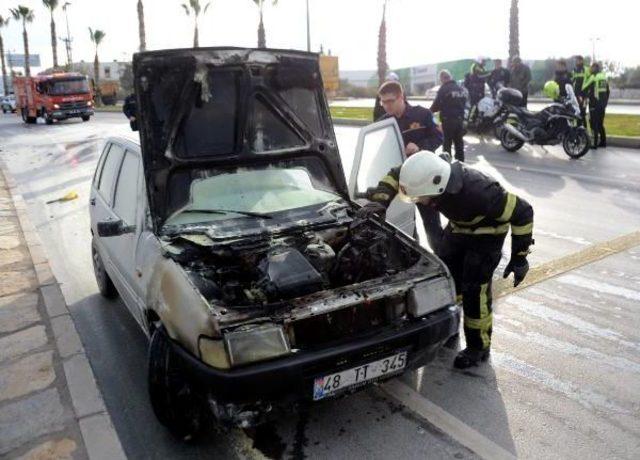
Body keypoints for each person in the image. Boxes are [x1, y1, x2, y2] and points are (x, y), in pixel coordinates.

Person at [397, 152, 534, 369]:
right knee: (448, 280)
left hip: (488, 235)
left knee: (474, 291)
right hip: (459, 229)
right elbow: (402, 180)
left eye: (421, 197)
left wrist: (520, 257)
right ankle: (450, 328)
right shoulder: (427, 178)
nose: (420, 201)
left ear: (438, 186)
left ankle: (478, 347)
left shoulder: (481, 192)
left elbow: (523, 212)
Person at [359, 80, 444, 252]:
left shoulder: (422, 114)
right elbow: (378, 153)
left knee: (432, 226)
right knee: (406, 226)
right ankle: (415, 256)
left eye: (390, 101)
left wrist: (420, 147)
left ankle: (443, 260)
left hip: (424, 180)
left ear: (401, 97)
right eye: (383, 102)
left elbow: (438, 137)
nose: (386, 105)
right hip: (400, 182)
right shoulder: (383, 123)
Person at [430, 70, 467, 162]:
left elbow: (436, 106)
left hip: (448, 121)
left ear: (442, 78)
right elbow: (465, 102)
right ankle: (461, 166)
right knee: (459, 145)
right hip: (460, 121)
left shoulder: (444, 89)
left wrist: (428, 113)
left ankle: (448, 168)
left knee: (447, 146)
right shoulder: (460, 88)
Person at [582, 62, 610, 149]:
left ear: (595, 68)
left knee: (593, 123)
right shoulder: (604, 77)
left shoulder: (593, 77)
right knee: (600, 123)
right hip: (602, 104)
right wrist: (605, 102)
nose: (590, 69)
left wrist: (582, 95)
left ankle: (594, 144)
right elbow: (608, 91)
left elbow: (584, 88)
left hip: (594, 104)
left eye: (591, 67)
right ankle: (603, 142)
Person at [571, 55, 589, 127]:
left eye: (578, 60)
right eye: (576, 60)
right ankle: (579, 132)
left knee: (582, 114)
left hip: (583, 96)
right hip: (576, 96)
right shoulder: (574, 70)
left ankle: (584, 133)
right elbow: (572, 82)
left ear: (582, 61)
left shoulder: (586, 70)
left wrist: (585, 96)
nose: (577, 61)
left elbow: (588, 83)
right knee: (577, 114)